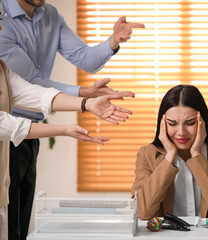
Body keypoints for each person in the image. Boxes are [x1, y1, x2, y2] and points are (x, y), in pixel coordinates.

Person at [0, 1, 144, 239]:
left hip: (29, 136)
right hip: (11, 137)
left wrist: (87, 102)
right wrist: (67, 125)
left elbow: (28, 91)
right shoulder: (6, 20)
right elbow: (14, 115)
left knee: (17, 227)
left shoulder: (48, 18)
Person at [131, 85, 208, 220]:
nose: (181, 132)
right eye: (172, 124)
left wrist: (197, 156)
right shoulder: (147, 154)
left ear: (202, 121)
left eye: (190, 123)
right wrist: (169, 158)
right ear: (162, 124)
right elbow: (142, 212)